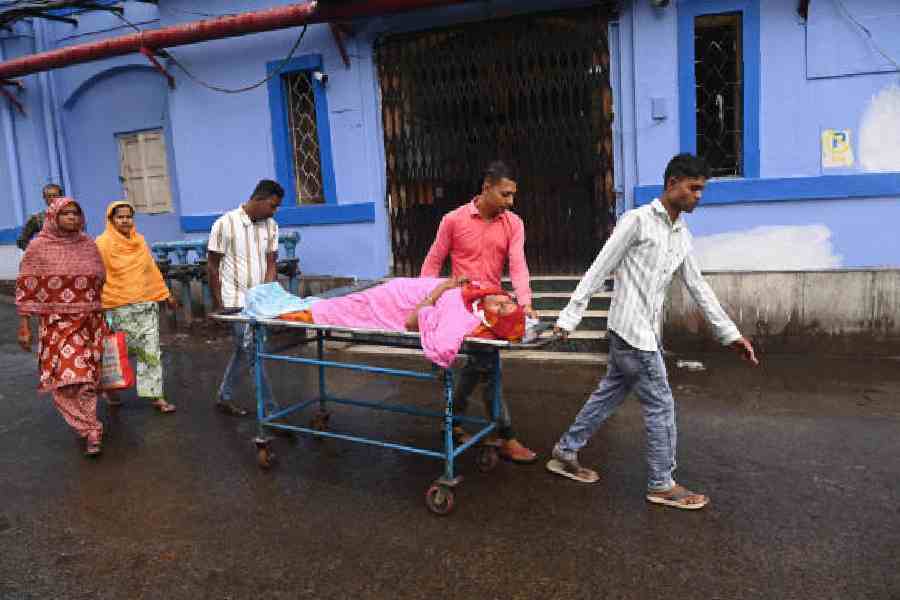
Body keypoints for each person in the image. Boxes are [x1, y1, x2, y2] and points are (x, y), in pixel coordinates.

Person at [547, 153, 759, 510]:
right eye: (693, 188)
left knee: (608, 394)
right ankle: (661, 483)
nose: (698, 196)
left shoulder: (681, 235)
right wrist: (570, 317)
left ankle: (565, 451)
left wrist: (730, 334)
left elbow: (698, 287)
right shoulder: (637, 221)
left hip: (642, 333)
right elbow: (600, 268)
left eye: (701, 190)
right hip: (632, 334)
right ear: (672, 183)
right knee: (661, 405)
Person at [420, 160, 537, 464]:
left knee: (480, 365)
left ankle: (453, 421)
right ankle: (506, 436)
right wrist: (424, 303)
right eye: (505, 194)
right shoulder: (453, 220)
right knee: (488, 366)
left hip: (492, 306)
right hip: (460, 306)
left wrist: (525, 302)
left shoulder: (513, 223)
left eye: (513, 195)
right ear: (486, 188)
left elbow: (518, 264)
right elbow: (433, 262)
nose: (510, 202)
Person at [15, 197, 108, 456]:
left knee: (87, 380)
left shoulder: (88, 245)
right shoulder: (38, 247)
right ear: (53, 217)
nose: (71, 218)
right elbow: (26, 286)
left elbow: (100, 280)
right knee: (68, 379)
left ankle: (89, 426)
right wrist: (24, 326)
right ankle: (89, 428)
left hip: (90, 323)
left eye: (75, 213)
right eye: (65, 213)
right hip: (58, 325)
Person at [274, 277, 527, 367]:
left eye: (501, 308)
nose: (500, 300)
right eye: (506, 300)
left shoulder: (462, 317)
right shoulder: (481, 292)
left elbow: (412, 323)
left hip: (392, 303)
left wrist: (442, 289)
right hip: (402, 289)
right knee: (346, 304)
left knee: (342, 308)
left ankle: (296, 311)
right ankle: (302, 308)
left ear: (491, 318)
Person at [207, 179, 283, 416]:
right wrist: (219, 304)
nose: (274, 211)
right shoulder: (224, 224)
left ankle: (224, 395)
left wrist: (267, 294)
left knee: (244, 350)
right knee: (253, 352)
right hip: (235, 302)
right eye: (272, 205)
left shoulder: (271, 226)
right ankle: (271, 411)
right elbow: (212, 266)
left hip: (258, 301)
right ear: (258, 199)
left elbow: (272, 263)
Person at [95, 201, 177, 413]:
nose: (125, 221)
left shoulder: (139, 241)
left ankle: (156, 396)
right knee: (114, 351)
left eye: (128, 217)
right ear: (111, 220)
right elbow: (96, 275)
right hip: (115, 306)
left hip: (145, 304)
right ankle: (111, 390)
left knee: (150, 351)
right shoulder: (102, 244)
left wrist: (166, 294)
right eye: (120, 217)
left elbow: (151, 270)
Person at [16, 183, 65, 251]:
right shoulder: (37, 219)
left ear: (61, 197)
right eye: (49, 196)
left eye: (55, 196)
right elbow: (22, 241)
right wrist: (37, 252)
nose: (52, 199)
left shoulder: (72, 216)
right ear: (44, 198)